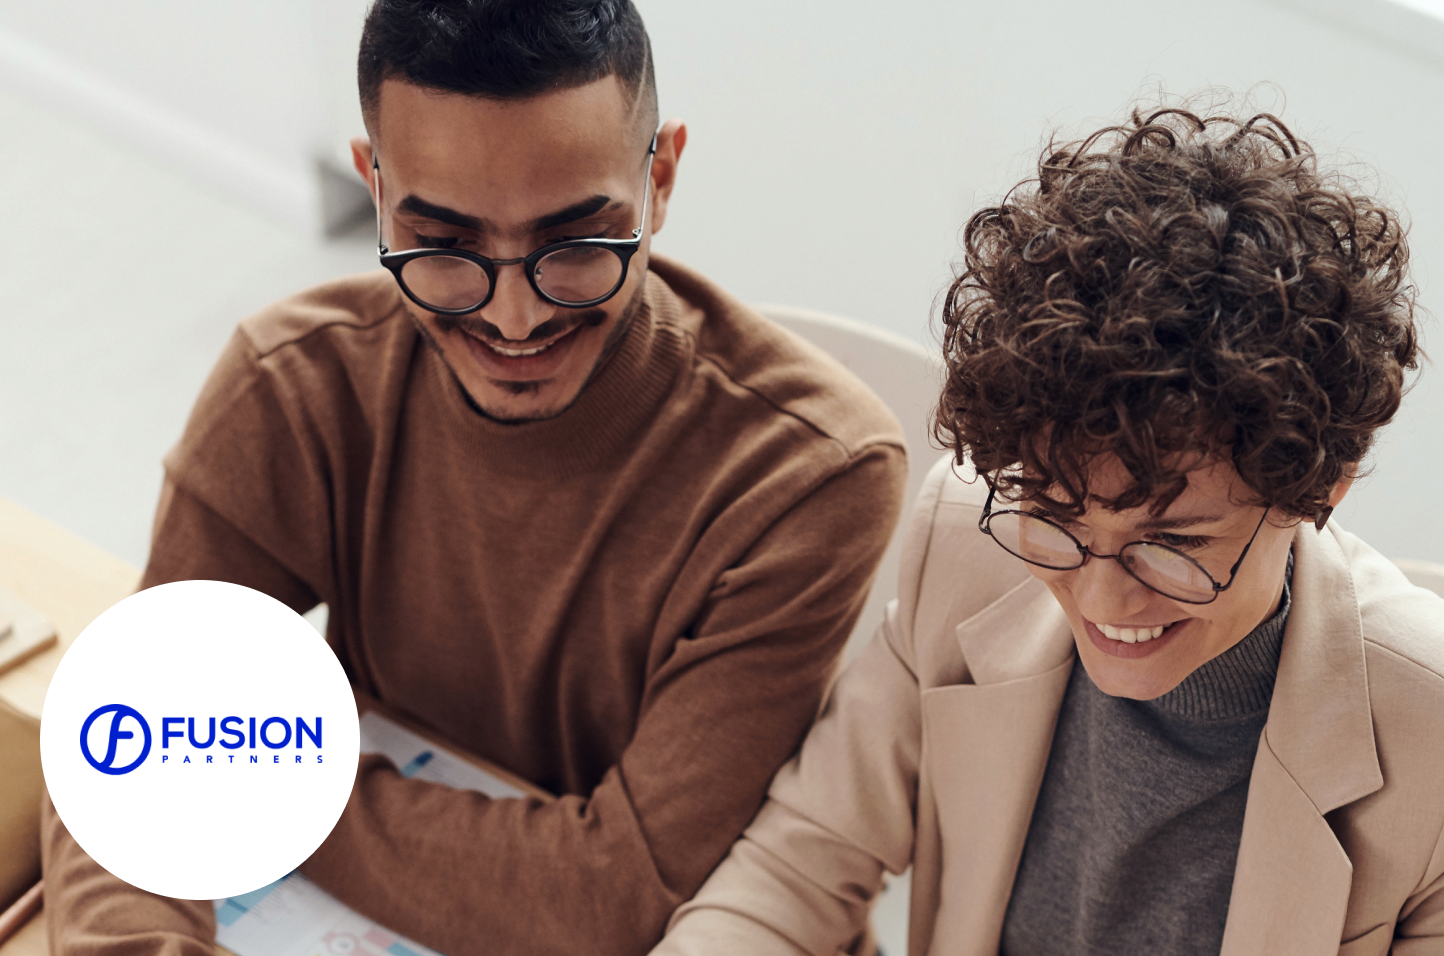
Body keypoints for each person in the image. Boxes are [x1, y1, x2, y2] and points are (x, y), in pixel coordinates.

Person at [40, 2, 906, 954]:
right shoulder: (295, 383)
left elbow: (615, 898)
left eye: (575, 247)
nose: (515, 317)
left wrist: (247, 781)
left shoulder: (811, 473)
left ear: (660, 177)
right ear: (375, 186)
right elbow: (122, 756)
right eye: (446, 248)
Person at [652, 105, 1444, 955]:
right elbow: (800, 865)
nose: (1102, 599)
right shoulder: (966, 538)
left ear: (1321, 490)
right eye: (1058, 517)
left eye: (1173, 545)